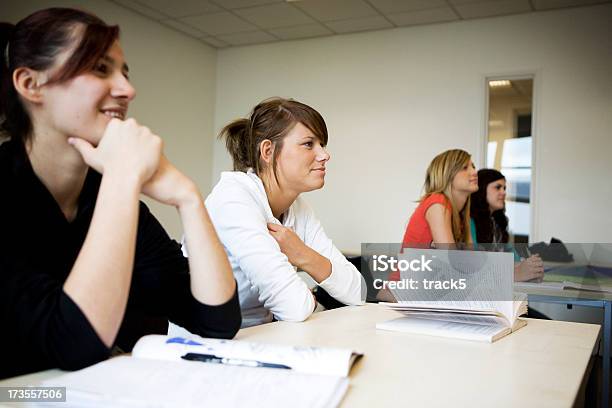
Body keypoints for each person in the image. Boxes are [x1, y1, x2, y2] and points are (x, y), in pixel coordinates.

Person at [0, 8, 240, 379]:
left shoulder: (106, 194)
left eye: (124, 73)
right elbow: (71, 343)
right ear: (30, 84)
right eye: (100, 69)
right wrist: (123, 176)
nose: (128, 90)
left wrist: (188, 197)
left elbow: (217, 321)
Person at [201, 97, 364, 328]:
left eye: (322, 144)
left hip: (264, 335)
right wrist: (305, 293)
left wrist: (302, 254)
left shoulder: (299, 208)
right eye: (309, 144)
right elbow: (295, 306)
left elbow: (357, 291)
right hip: (207, 342)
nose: (324, 155)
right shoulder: (233, 198)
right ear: (268, 151)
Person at [470, 169, 544, 282]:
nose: (503, 192)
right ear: (482, 188)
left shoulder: (498, 223)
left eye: (504, 188)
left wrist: (532, 268)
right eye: (497, 187)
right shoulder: (470, 223)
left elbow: (514, 259)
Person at [401, 149, 478, 249]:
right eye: (464, 167)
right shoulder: (438, 201)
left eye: (473, 166)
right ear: (447, 174)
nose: (474, 172)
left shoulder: (461, 213)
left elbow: (469, 258)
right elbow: (449, 258)